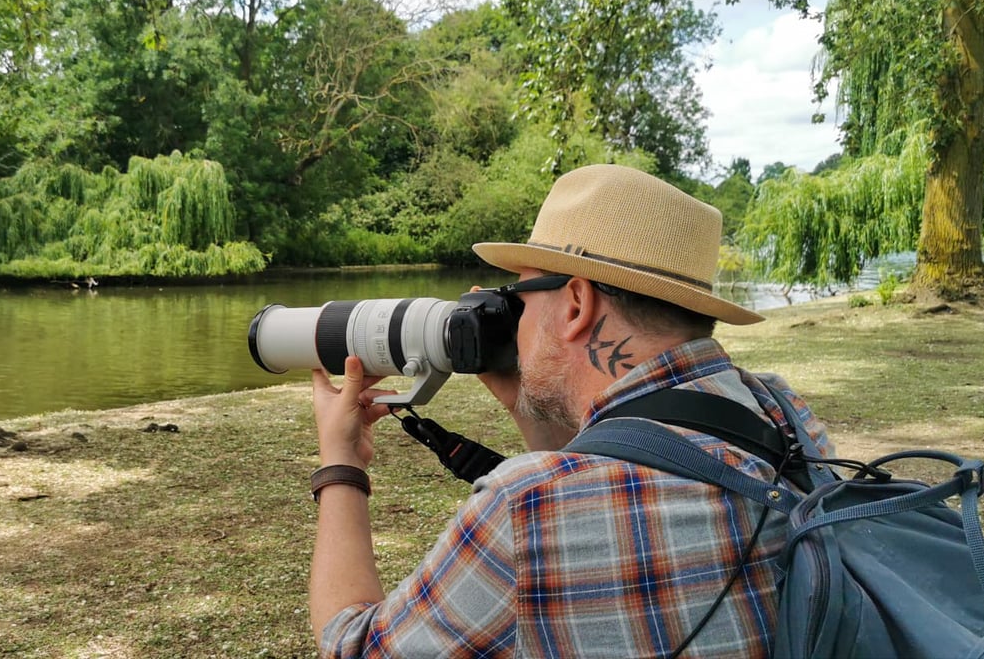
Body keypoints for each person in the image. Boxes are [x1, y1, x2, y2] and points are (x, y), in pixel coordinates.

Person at [306, 164, 834, 657]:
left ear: (576, 303)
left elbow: (349, 645)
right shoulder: (782, 410)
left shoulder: (525, 505)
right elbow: (620, 465)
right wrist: (529, 402)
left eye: (521, 296)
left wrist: (341, 462)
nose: (514, 319)